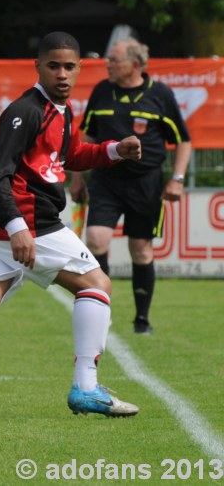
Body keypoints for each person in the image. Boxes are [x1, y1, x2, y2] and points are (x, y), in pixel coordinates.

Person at [0, 32, 143, 422]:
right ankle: (86, 387)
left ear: (81, 67)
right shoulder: (27, 111)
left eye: (69, 66)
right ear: (38, 67)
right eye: (54, 66)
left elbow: (70, 156)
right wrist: (18, 227)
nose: (62, 74)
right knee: (97, 284)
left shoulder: (62, 111)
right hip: (25, 221)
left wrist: (114, 150)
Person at [70, 39, 192, 335]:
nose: (107, 65)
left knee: (141, 249)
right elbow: (85, 136)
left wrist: (176, 179)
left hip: (146, 184)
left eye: (114, 60)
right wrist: (77, 176)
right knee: (96, 239)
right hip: (106, 181)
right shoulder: (101, 90)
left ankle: (142, 320)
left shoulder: (159, 95)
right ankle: (101, 313)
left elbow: (184, 140)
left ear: (135, 65)